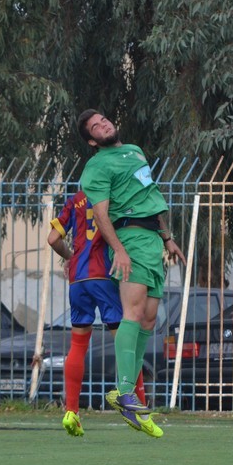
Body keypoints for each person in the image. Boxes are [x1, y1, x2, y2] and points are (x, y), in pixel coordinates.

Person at [76, 109, 187, 438]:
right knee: (133, 312)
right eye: (95, 127)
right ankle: (125, 392)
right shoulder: (96, 166)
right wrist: (120, 250)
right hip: (130, 239)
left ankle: (125, 393)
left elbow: (148, 195)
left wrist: (166, 237)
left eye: (103, 120)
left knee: (149, 320)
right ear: (92, 141)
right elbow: (101, 214)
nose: (103, 125)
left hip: (152, 240)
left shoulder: (135, 151)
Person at [47, 189, 148, 437]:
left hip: (78, 280)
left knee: (78, 344)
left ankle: (71, 411)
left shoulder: (75, 200)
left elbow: (52, 238)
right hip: (105, 275)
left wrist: (71, 257)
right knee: (126, 343)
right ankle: (139, 408)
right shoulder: (115, 196)